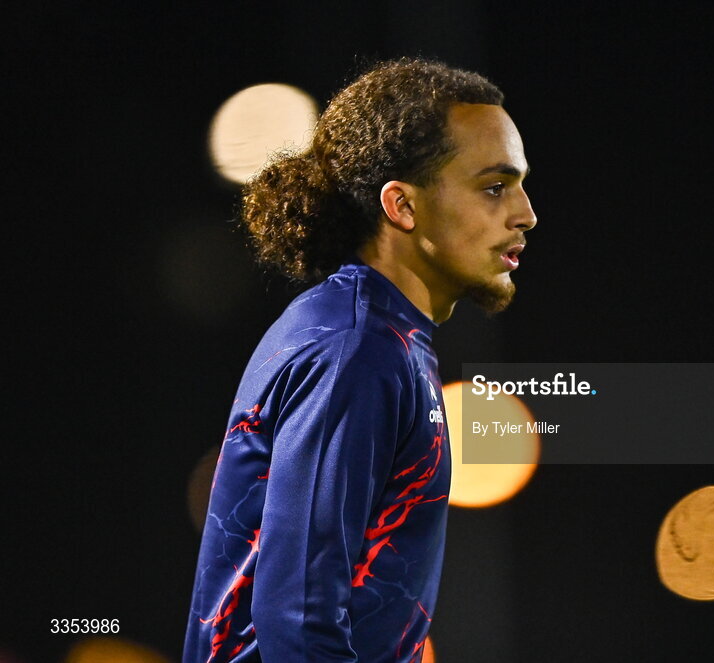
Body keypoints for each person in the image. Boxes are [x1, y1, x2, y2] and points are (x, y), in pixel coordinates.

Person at [183, 58, 537, 663]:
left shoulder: (385, 337)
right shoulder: (356, 349)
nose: (525, 213)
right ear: (402, 206)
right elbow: (299, 622)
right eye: (494, 187)